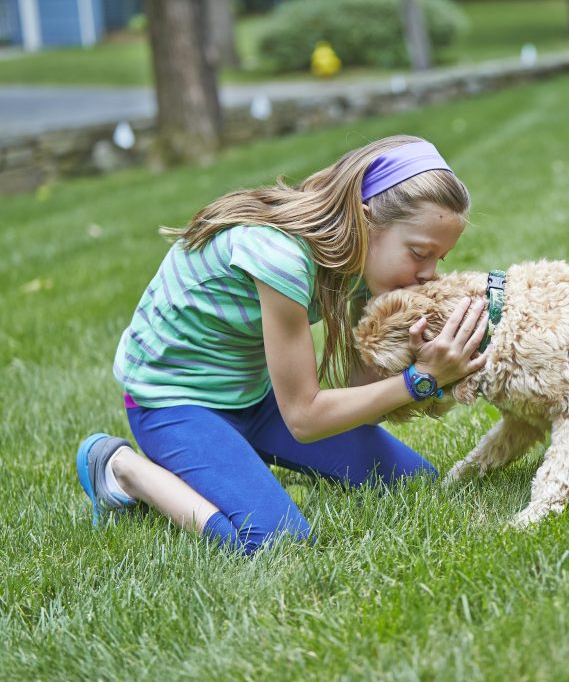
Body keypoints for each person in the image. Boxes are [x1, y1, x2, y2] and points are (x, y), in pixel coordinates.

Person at [74, 135, 489, 555]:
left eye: (440, 258)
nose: (429, 274)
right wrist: (421, 381)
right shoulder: (281, 257)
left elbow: (360, 406)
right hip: (173, 401)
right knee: (276, 542)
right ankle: (118, 467)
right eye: (419, 252)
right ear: (365, 222)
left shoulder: (364, 261)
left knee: (416, 483)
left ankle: (236, 455)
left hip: (254, 396)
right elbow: (305, 418)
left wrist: (402, 354)